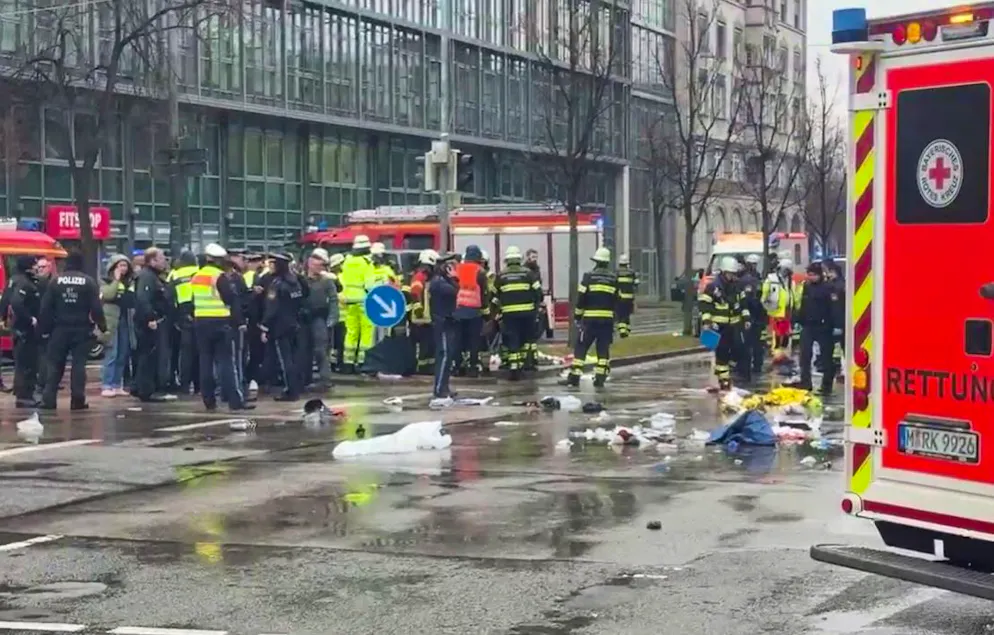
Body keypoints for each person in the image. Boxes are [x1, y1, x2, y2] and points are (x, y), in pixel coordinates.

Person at [38, 251, 106, 410]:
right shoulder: (88, 282)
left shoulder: (55, 282)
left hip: (59, 329)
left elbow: (46, 308)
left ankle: (48, 399)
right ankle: (77, 400)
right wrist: (102, 326)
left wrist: (44, 330)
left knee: (55, 365)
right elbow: (96, 308)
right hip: (81, 330)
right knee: (78, 365)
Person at [191, 243, 252, 412]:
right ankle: (234, 401)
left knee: (205, 361)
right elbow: (230, 299)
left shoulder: (196, 276)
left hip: (200, 321)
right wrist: (239, 321)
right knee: (226, 363)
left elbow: (191, 300)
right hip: (220, 322)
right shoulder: (219, 276)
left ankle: (208, 400)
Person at [565, 247, 619, 388]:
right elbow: (617, 300)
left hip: (589, 320)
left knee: (582, 347)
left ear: (596, 261)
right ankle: (600, 377)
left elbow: (581, 298)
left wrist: (577, 315)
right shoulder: (613, 278)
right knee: (603, 348)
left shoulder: (588, 277)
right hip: (606, 320)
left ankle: (575, 377)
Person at [699, 256, 749, 391]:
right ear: (724, 272)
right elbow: (704, 305)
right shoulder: (713, 287)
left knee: (736, 352)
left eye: (734, 274)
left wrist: (746, 319)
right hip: (718, 327)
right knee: (722, 355)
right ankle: (724, 381)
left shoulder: (736, 287)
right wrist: (707, 321)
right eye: (731, 274)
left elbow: (742, 304)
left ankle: (724, 376)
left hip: (733, 326)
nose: (733, 277)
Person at [789, 262, 839, 395]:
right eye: (809, 275)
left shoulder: (829, 288)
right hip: (808, 326)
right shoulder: (807, 286)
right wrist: (797, 319)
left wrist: (837, 326)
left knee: (826, 358)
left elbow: (834, 308)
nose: (810, 277)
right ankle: (806, 383)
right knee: (804, 356)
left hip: (824, 327)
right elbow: (803, 304)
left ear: (819, 275)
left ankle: (826, 387)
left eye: (813, 275)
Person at [495, 246, 543, 381]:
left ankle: (514, 368)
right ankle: (525, 363)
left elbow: (495, 296)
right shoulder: (529, 274)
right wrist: (535, 306)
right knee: (526, 339)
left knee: (512, 340)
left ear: (507, 260)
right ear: (519, 259)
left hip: (509, 315)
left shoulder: (501, 275)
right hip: (527, 314)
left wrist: (496, 311)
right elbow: (538, 293)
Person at [261, 252, 304, 401]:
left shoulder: (277, 284)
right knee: (293, 358)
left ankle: (290, 391)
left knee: (285, 360)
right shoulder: (295, 282)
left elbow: (272, 307)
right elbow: (301, 300)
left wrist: (265, 326)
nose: (270, 267)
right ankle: (296, 387)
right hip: (294, 324)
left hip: (280, 327)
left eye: (273, 264)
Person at [133, 247, 172, 402]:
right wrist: (150, 318)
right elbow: (143, 299)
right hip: (150, 323)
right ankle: (146, 390)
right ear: (152, 260)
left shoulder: (154, 276)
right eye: (161, 258)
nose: (164, 261)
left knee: (148, 356)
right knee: (149, 357)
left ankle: (139, 387)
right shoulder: (147, 277)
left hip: (155, 320)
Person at [8, 256, 42, 407]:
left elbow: (5, 301)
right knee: (27, 364)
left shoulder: (14, 280)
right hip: (25, 330)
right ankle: (24, 397)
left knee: (22, 363)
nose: (37, 268)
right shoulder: (24, 282)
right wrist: (30, 319)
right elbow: (16, 302)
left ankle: (23, 394)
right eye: (34, 264)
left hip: (18, 328)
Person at [301, 247, 336, 390]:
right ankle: (305, 378)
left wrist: (333, 318)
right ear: (309, 264)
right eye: (316, 265)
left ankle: (325, 379)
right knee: (304, 349)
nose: (319, 268)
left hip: (319, 317)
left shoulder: (326, 281)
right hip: (303, 318)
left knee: (321, 349)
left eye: (321, 265)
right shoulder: (301, 279)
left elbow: (333, 300)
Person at [100, 254, 135, 398]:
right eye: (120, 265)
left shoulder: (129, 282)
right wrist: (116, 280)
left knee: (122, 353)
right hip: (112, 321)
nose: (123, 269)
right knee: (112, 353)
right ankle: (107, 384)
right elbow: (108, 295)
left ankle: (117, 384)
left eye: (125, 265)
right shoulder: (105, 281)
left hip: (125, 320)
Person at [340, 235, 375, 373]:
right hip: (364, 300)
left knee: (351, 332)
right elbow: (370, 284)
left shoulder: (347, 261)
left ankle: (348, 363)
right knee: (366, 332)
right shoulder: (366, 262)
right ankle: (362, 361)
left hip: (349, 300)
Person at [452, 244, 489, 377]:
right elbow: (485, 293)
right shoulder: (480, 272)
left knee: (458, 340)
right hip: (474, 311)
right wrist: (486, 312)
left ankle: (458, 365)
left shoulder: (457, 270)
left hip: (458, 310)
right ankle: (472, 367)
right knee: (474, 341)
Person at [168, 250, 199, 395]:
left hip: (182, 313)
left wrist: (176, 317)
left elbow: (169, 296)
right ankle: (199, 384)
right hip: (198, 311)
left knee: (185, 352)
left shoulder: (174, 274)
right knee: (201, 352)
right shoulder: (198, 272)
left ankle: (185, 384)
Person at [428, 254, 459, 400]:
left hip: (448, 321)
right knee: (444, 355)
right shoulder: (438, 282)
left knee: (448, 356)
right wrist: (453, 278)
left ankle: (444, 387)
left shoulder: (442, 281)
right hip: (442, 322)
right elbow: (454, 291)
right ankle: (440, 388)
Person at [408, 249, 436, 374]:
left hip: (426, 318)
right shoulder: (420, 275)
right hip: (420, 319)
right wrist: (418, 306)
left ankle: (428, 366)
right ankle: (423, 368)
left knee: (429, 344)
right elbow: (415, 291)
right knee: (424, 345)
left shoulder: (426, 276)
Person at [738, 253, 766, 381]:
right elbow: (750, 299)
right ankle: (753, 366)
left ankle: (752, 366)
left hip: (754, 315)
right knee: (753, 343)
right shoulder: (751, 279)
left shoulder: (751, 278)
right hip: (752, 315)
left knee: (753, 343)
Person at [523, 248, 544, 370]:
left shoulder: (537, 270)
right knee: (528, 335)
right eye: (532, 257)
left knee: (534, 334)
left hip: (534, 305)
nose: (534, 259)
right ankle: (527, 360)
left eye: (536, 257)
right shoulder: (526, 271)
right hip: (527, 305)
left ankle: (532, 358)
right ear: (527, 257)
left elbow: (538, 288)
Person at [327, 253, 346, 371]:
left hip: (342, 315)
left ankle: (336, 363)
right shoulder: (333, 279)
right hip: (337, 315)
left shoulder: (337, 277)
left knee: (338, 342)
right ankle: (335, 363)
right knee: (335, 342)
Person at [615, 254, 638, 338]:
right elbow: (636, 283)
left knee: (621, 315)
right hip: (629, 298)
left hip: (620, 298)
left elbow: (614, 284)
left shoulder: (616, 273)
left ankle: (622, 331)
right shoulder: (631, 272)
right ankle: (627, 331)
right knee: (627, 314)